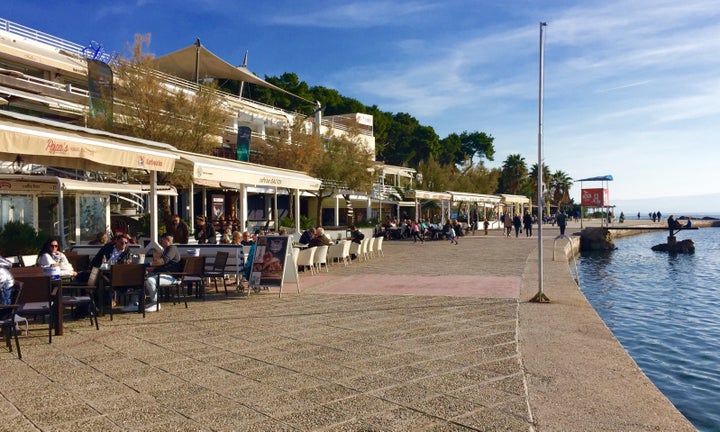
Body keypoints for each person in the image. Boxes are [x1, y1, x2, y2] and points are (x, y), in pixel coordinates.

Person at [144, 233, 182, 312]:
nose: (161, 242)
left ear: (168, 240)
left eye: (162, 240)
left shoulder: (172, 248)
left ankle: (156, 304)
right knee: (143, 278)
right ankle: (135, 303)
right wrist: (151, 269)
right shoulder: (166, 249)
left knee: (150, 280)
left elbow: (163, 261)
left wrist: (148, 264)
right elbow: (162, 266)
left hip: (172, 276)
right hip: (165, 274)